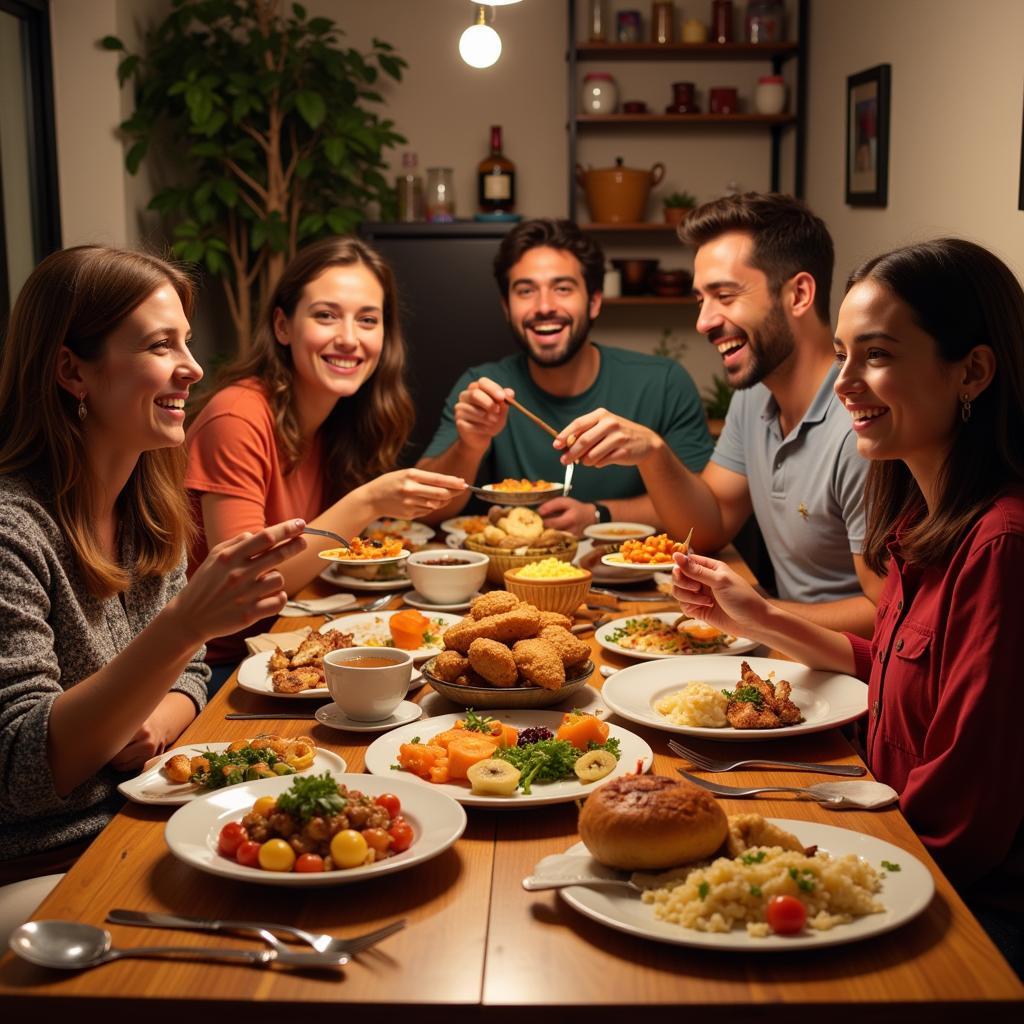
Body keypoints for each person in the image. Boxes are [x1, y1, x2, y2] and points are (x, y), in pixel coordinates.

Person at [670, 238, 1024, 973]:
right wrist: (754, 617)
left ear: (974, 370)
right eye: (842, 354)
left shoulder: (1001, 546)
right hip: (897, 838)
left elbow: (966, 813)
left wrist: (824, 841)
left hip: (968, 910)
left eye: (878, 356)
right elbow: (891, 668)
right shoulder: (920, 521)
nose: (845, 383)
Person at [0, 246, 305, 911]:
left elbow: (190, 670)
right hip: (47, 863)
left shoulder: (144, 507)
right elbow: (25, 772)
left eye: (186, 343)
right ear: (71, 371)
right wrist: (182, 626)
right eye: (160, 347)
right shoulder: (11, 532)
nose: (193, 368)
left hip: (145, 818)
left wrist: (158, 721)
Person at [551, 193, 881, 635]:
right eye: (701, 299)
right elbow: (710, 527)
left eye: (724, 295)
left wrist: (755, 614)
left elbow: (889, 617)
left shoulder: (860, 424)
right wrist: (652, 452)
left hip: (851, 683)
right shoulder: (754, 394)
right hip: (783, 650)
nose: (704, 321)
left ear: (799, 293)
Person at [186, 237, 465, 676]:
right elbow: (246, 589)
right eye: (326, 315)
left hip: (284, 643)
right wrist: (368, 502)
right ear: (283, 326)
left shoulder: (340, 418)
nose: (349, 338)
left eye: (368, 320)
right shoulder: (237, 415)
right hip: (212, 669)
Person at [417, 218, 713, 535]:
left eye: (562, 288)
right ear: (506, 307)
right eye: (526, 290)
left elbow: (703, 513)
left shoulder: (663, 383)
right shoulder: (483, 389)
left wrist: (600, 514)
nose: (544, 306)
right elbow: (422, 512)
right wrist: (468, 446)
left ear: (594, 301)